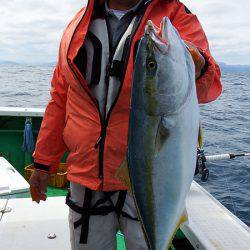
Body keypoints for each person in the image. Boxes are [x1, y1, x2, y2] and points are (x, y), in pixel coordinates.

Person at [29, 0, 222, 249]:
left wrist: (199, 64)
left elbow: (209, 84)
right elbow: (61, 98)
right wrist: (43, 164)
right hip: (87, 176)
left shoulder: (174, 15)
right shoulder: (78, 24)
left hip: (147, 176)